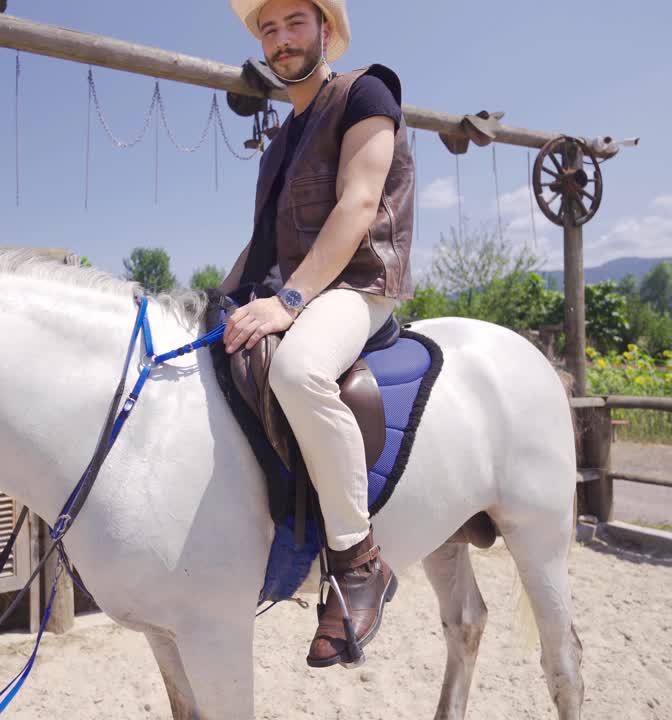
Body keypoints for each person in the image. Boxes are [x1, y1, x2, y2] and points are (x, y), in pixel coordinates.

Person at [220, 0, 415, 668]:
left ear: (325, 30)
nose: (281, 40)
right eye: (268, 30)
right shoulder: (279, 144)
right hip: (299, 290)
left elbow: (359, 204)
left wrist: (290, 301)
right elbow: (260, 245)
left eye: (294, 23)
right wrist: (213, 303)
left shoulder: (367, 93)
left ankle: (359, 559)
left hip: (359, 286)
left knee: (298, 371)